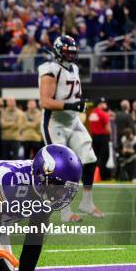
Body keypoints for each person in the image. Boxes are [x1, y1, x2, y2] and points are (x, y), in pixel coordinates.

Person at [38, 35, 104, 222]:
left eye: (72, 52)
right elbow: (45, 101)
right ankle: (64, 210)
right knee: (60, 167)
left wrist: (79, 105)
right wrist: (72, 105)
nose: (70, 56)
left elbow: (72, 95)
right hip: (55, 122)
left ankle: (87, 202)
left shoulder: (74, 68)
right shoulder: (49, 69)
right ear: (58, 52)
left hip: (73, 121)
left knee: (90, 159)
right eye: (67, 52)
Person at [88, 98, 112, 180]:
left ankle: (94, 174)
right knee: (104, 156)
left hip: (94, 138)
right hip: (103, 138)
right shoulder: (103, 114)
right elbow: (108, 129)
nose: (105, 104)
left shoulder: (92, 113)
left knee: (96, 157)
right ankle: (103, 176)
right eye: (104, 103)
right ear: (100, 104)